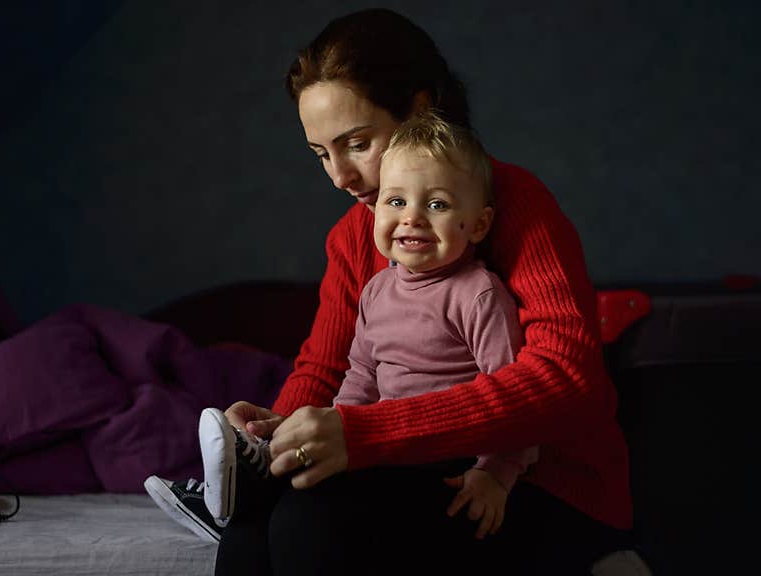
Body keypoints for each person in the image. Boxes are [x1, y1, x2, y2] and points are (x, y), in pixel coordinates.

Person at [159, 8, 632, 576]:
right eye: (320, 154)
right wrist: (278, 433)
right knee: (251, 530)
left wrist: (364, 433)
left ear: (420, 109)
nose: (340, 177)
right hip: (415, 465)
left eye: (356, 143)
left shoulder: (515, 204)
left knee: (310, 525)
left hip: (532, 482)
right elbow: (328, 365)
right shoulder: (352, 237)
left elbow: (566, 377)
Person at [146, 112, 539, 542]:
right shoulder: (375, 291)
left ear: (479, 224)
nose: (412, 218)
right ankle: (253, 478)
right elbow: (361, 376)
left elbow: (514, 403)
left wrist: (495, 475)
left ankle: (254, 486)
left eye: (438, 204)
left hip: (448, 461)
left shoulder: (478, 294)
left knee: (308, 515)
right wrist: (331, 426)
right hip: (384, 451)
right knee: (263, 522)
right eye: (395, 202)